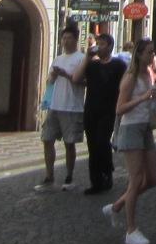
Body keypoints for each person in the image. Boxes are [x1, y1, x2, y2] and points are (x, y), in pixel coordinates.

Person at [106, 38, 156, 244]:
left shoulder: (149, 74)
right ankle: (130, 230)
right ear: (139, 54)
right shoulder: (130, 77)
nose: (152, 56)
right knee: (136, 179)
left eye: (153, 52)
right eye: (149, 52)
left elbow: (150, 100)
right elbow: (119, 109)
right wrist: (144, 97)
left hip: (145, 128)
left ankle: (116, 206)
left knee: (153, 178)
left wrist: (154, 99)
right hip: (131, 129)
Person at [35, 24, 87, 191]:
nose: (65, 41)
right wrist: (54, 76)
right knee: (47, 139)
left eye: (68, 38)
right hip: (55, 105)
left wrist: (65, 74)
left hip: (72, 106)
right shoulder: (58, 59)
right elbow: (50, 82)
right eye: (63, 38)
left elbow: (83, 82)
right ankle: (49, 176)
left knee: (69, 143)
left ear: (75, 39)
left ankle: (69, 176)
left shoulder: (81, 58)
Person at [83, 33, 128, 196]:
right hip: (90, 110)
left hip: (109, 110)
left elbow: (125, 85)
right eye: (98, 43)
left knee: (102, 141)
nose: (98, 46)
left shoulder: (119, 65)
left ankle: (107, 173)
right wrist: (87, 57)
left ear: (109, 46)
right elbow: (77, 77)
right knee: (92, 146)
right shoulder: (92, 65)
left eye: (101, 44)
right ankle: (95, 182)